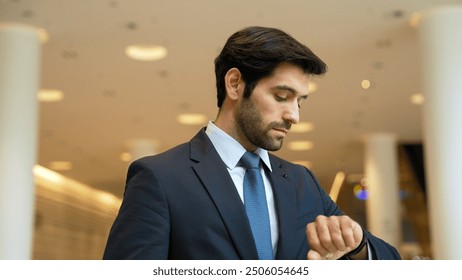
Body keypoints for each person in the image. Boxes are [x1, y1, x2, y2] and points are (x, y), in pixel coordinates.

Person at [103, 26, 401, 260]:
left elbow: (390, 260)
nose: (294, 115)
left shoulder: (302, 182)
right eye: (282, 97)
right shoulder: (160, 178)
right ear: (235, 84)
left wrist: (357, 245)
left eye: (300, 101)